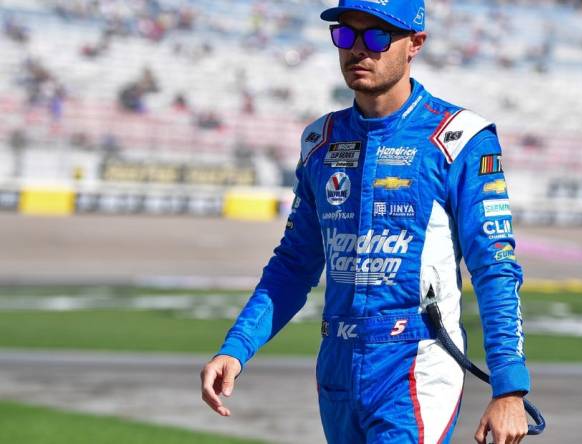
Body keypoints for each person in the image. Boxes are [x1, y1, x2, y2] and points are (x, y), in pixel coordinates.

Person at [200, 1, 531, 443]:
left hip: (417, 362)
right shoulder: (320, 140)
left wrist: (510, 387)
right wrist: (235, 349)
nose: (359, 49)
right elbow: (293, 265)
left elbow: (495, 267)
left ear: (415, 44)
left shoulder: (460, 138)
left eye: (376, 36)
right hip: (337, 364)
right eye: (346, 35)